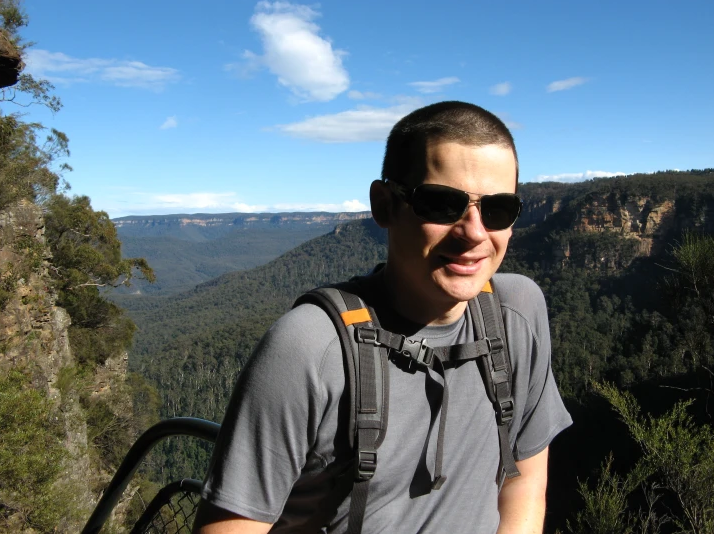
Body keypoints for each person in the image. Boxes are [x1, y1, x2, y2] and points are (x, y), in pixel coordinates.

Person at [193, 101, 572, 534]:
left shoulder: (517, 314)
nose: (474, 232)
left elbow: (523, 483)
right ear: (384, 205)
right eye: (441, 204)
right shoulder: (309, 348)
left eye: (498, 209)